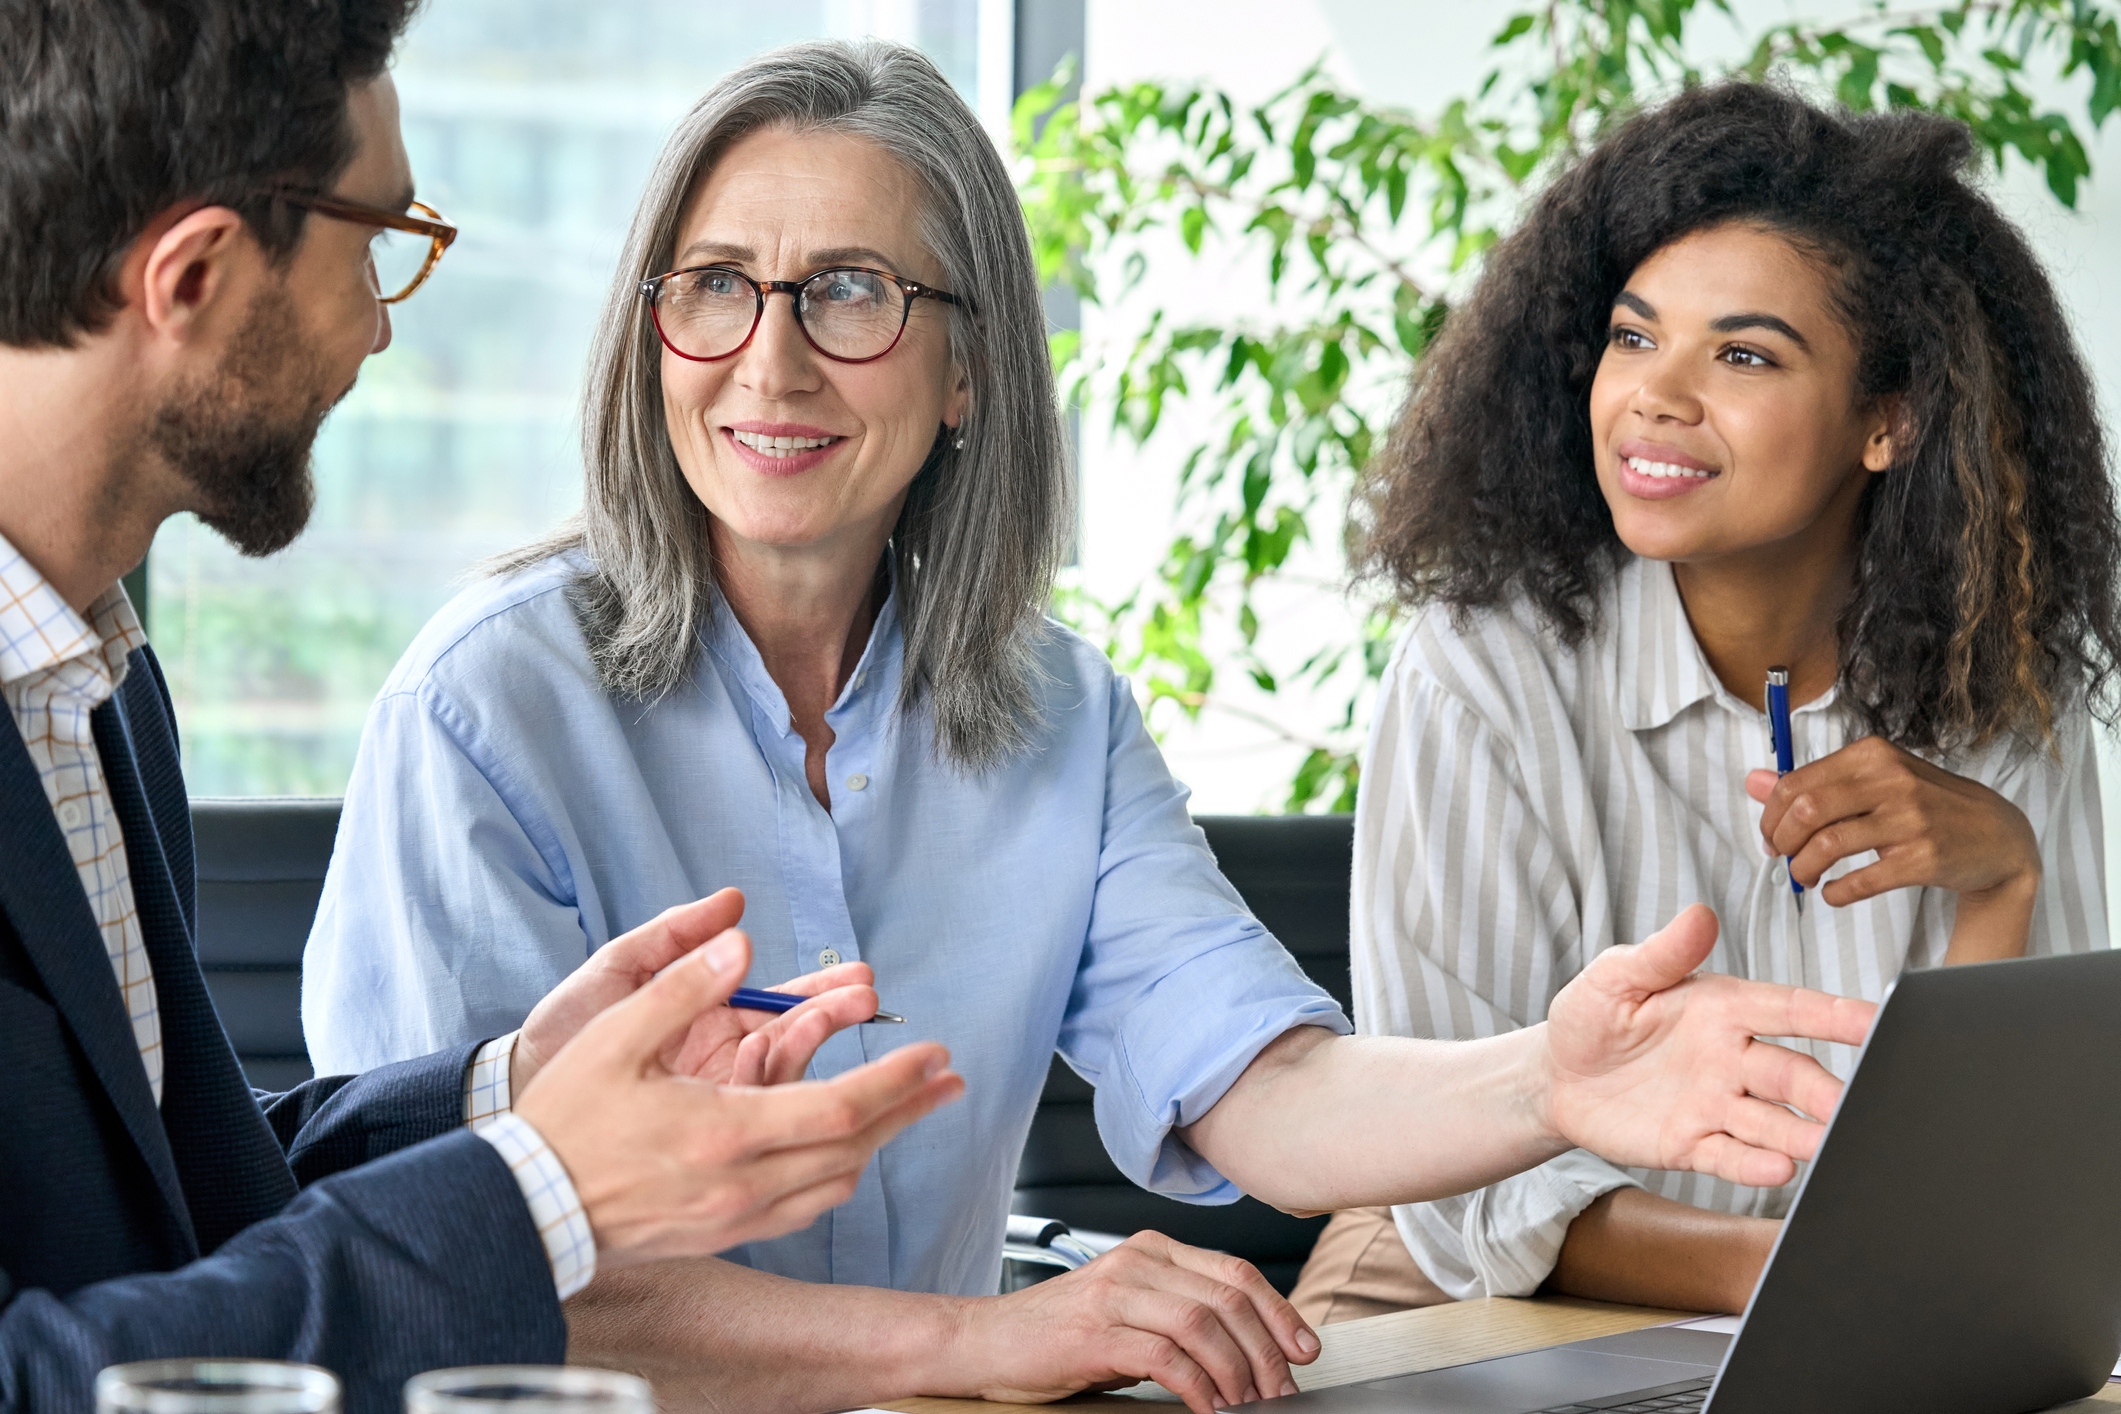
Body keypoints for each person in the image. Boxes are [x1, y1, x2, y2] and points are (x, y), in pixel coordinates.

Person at [300, 41, 1878, 1414]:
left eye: (849, 291)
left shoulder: (1055, 711)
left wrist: (1555, 1080)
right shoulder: (483, 707)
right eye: (714, 286)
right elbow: (467, 1269)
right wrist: (980, 1334)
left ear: (968, 367)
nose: (768, 358)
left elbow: (1261, 1087)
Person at [0, 5, 969, 1412]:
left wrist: (512, 1089)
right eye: (374, 243)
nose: (381, 327)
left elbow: (179, 1209)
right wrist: (544, 1187)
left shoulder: (93, 685)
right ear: (198, 273)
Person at [1289, 79, 2117, 1325]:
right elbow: (1469, 1204)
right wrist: (1818, 1281)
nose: (1655, 396)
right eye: (1634, 336)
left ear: (1886, 419)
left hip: (1851, 1304)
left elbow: (2001, 1166)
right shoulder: (1485, 671)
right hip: (1471, 1287)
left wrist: (2001, 879)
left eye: (1742, 353)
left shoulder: (1995, 667)